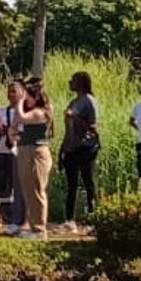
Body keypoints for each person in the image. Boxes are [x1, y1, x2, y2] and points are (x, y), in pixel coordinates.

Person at [58, 71, 101, 233]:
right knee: (71, 185)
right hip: (71, 147)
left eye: (73, 80)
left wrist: (76, 118)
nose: (70, 82)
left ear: (81, 83)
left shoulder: (89, 101)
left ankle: (93, 218)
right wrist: (62, 149)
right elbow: (68, 129)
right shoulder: (73, 102)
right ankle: (69, 220)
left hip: (86, 147)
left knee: (88, 181)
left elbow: (94, 128)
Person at [12, 80, 55, 239]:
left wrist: (20, 100)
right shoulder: (31, 111)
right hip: (24, 150)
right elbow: (17, 122)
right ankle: (31, 224)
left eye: (28, 96)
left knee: (37, 189)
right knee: (27, 189)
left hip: (37, 152)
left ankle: (39, 228)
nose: (26, 99)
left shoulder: (41, 112)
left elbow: (22, 117)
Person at [0, 80, 28, 236]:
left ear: (23, 92)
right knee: (5, 187)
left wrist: (14, 134)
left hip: (20, 152)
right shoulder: (2, 111)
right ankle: (7, 217)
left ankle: (21, 219)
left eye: (14, 90)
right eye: (9, 91)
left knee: (20, 187)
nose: (11, 94)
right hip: (3, 152)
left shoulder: (26, 113)